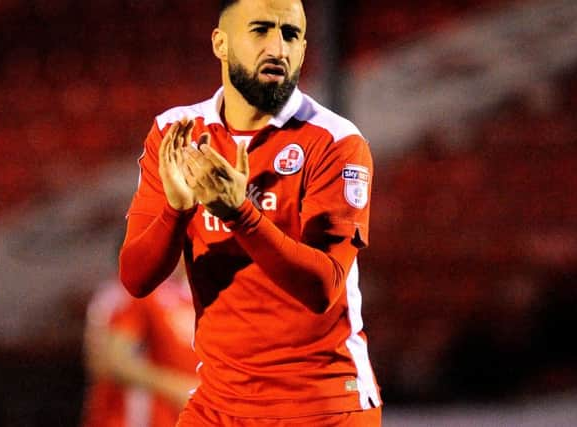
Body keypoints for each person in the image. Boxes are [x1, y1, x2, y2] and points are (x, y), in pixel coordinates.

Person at [119, 0, 382, 425]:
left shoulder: (336, 142)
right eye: (260, 30)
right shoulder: (177, 133)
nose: (278, 48)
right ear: (220, 43)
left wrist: (240, 214)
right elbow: (136, 278)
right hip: (219, 404)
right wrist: (176, 210)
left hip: (321, 404)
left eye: (291, 35)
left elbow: (323, 289)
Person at [81, 260, 199, 427]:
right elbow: (107, 361)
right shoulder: (138, 292)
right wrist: (176, 387)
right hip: (134, 417)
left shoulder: (202, 295)